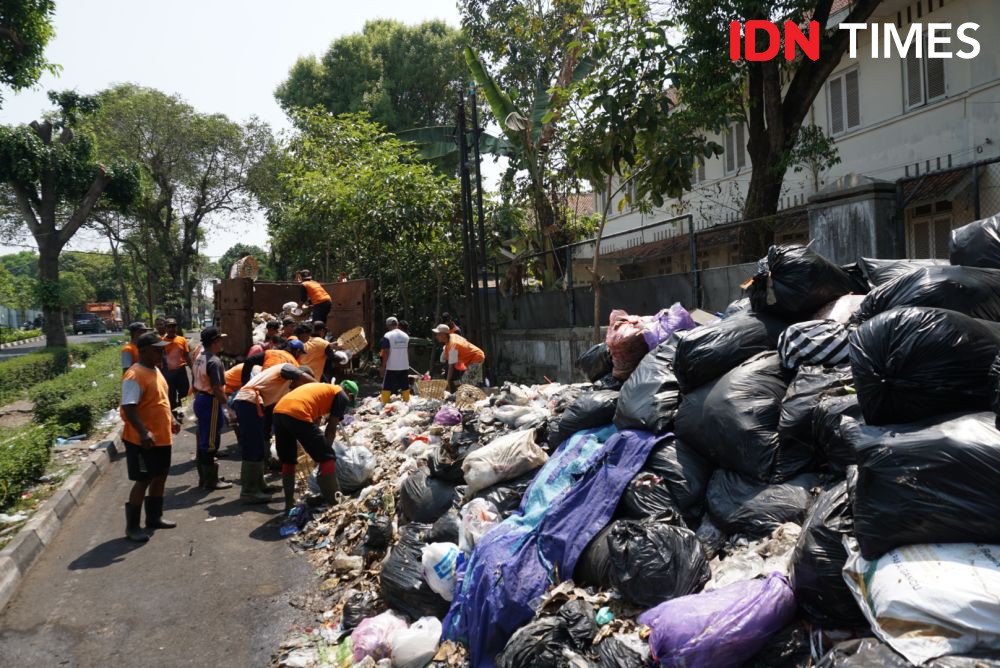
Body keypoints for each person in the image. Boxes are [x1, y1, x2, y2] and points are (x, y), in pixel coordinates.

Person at [120, 332, 182, 542]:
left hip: (162, 438)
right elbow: (129, 407)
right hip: (142, 440)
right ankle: (133, 526)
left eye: (161, 348)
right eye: (157, 349)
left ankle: (154, 518)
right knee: (143, 479)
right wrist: (143, 431)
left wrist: (172, 418)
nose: (161, 352)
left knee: (161, 475)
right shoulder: (134, 374)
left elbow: (161, 400)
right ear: (143, 350)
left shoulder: (155, 370)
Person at [232, 363, 316, 503]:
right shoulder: (285, 368)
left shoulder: (284, 385)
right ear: (298, 377)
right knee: (252, 447)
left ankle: (259, 485)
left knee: (258, 446)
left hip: (254, 404)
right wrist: (318, 386)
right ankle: (249, 491)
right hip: (249, 401)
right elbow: (302, 376)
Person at [272, 380, 358, 512]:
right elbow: (331, 428)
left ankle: (289, 504)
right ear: (350, 394)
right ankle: (335, 502)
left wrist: (315, 448)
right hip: (297, 412)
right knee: (328, 457)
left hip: (279, 411)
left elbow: (315, 422)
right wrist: (325, 452)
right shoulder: (341, 395)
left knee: (288, 459)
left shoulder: (324, 390)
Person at [192, 326, 235, 491]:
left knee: (205, 437)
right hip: (210, 401)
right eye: (220, 339)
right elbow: (217, 388)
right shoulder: (214, 361)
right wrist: (228, 408)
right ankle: (210, 481)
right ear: (215, 341)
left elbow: (194, 383)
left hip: (201, 399)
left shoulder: (199, 358)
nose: (222, 342)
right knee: (209, 442)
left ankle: (207, 477)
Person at [433, 324, 485, 392]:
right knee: (473, 381)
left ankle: (473, 396)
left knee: (465, 383)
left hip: (476, 357)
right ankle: (478, 396)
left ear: (443, 334)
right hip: (474, 357)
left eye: (437, 334)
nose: (436, 336)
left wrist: (448, 381)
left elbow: (451, 366)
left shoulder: (453, 345)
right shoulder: (452, 336)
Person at [162, 318, 193, 418]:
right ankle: (173, 414)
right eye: (169, 327)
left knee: (185, 393)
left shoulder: (182, 340)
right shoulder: (161, 341)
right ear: (165, 328)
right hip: (168, 372)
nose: (171, 329)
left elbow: (187, 356)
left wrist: (193, 369)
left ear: (176, 328)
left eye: (173, 326)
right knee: (170, 394)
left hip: (181, 371)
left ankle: (184, 412)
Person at [380, 317, 411, 404]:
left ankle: (384, 403)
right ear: (397, 324)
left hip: (392, 366)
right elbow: (407, 351)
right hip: (404, 366)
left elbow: (386, 352)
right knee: (405, 385)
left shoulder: (388, 336)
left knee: (387, 386)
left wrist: (383, 366)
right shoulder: (406, 336)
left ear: (387, 325)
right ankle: (407, 401)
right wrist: (407, 363)